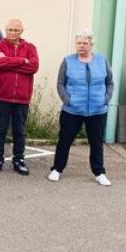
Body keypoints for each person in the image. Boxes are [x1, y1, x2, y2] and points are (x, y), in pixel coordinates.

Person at [48, 31, 114, 186]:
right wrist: (67, 100)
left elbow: (110, 82)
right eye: (78, 43)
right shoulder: (68, 61)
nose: (81, 46)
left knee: (97, 143)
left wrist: (106, 99)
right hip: (72, 110)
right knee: (64, 140)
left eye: (85, 43)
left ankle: (99, 172)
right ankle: (57, 169)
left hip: (97, 110)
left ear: (91, 44)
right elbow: (60, 83)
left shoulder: (102, 60)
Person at [0, 18, 39, 175]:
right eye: (10, 30)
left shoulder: (30, 48)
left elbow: (33, 66)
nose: (13, 33)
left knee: (19, 130)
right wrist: (20, 61)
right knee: (0, 129)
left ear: (21, 31)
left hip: (22, 98)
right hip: (2, 96)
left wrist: (9, 62)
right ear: (6, 30)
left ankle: (19, 159)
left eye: (16, 30)